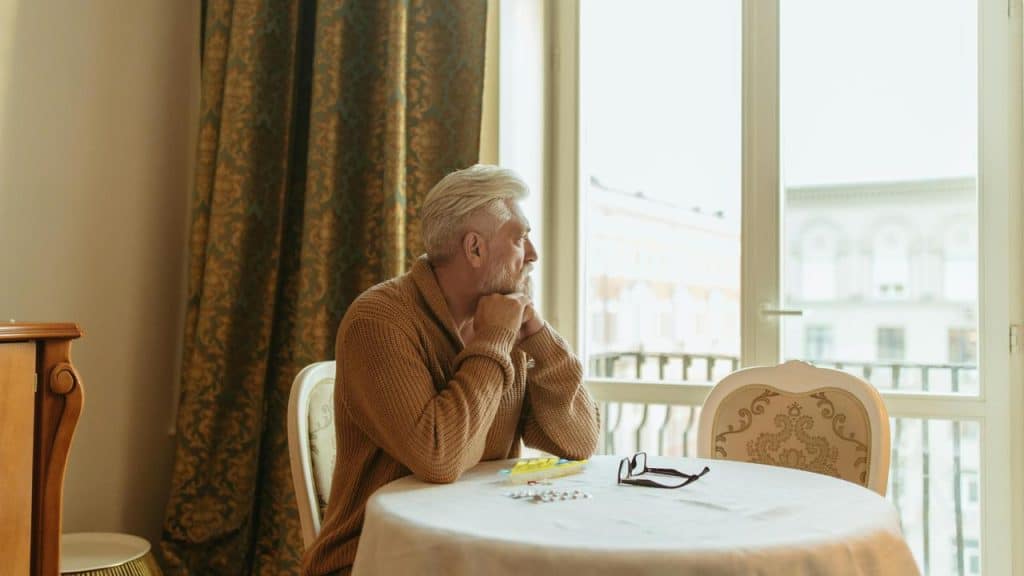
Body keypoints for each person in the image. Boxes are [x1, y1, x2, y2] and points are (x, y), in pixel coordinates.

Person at [302, 164, 601, 575]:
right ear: (475, 249)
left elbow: (579, 442)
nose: (532, 254)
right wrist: (493, 340)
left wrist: (538, 334)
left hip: (477, 550)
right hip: (377, 558)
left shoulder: (505, 322)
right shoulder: (380, 321)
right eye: (519, 238)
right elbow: (439, 458)